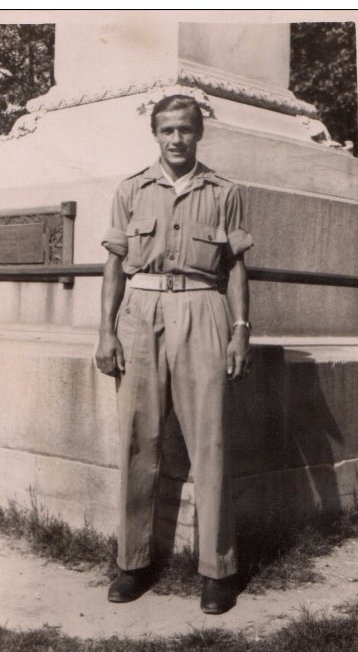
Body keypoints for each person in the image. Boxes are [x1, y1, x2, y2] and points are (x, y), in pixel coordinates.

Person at [95, 93, 253, 614]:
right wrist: (106, 332)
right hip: (141, 313)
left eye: (185, 129)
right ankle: (133, 562)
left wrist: (240, 331)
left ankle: (218, 569)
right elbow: (115, 267)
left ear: (198, 133)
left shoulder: (226, 192)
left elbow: (235, 270)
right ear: (155, 135)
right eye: (166, 130)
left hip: (203, 309)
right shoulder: (130, 190)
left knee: (210, 441)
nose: (176, 139)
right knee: (139, 437)